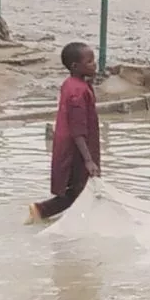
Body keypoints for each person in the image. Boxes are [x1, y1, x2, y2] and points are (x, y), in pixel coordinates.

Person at [25, 42, 101, 224]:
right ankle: (40, 210)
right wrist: (88, 160)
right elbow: (77, 129)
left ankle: (43, 212)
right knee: (80, 192)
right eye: (89, 61)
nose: (94, 64)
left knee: (79, 191)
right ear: (75, 66)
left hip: (73, 145)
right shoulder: (77, 91)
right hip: (77, 149)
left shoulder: (72, 84)